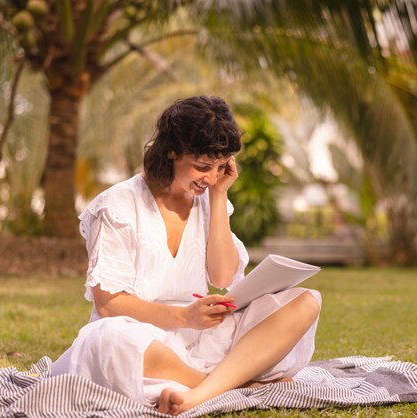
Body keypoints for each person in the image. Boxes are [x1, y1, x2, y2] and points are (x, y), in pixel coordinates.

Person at [51, 95, 321, 415]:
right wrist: (184, 317)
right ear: (172, 151)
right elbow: (108, 304)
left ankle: (196, 391)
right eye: (202, 167)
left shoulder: (210, 198)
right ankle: (227, 383)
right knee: (106, 339)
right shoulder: (118, 206)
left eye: (220, 167)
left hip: (200, 333)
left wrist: (220, 195)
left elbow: (221, 277)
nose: (210, 177)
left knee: (305, 301)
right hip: (141, 336)